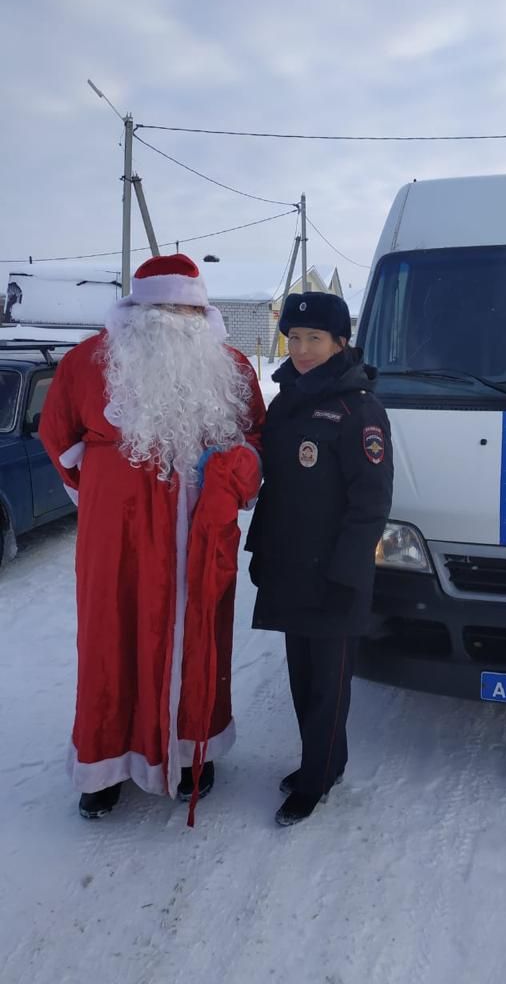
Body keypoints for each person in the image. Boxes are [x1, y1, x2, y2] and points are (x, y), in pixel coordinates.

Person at [40, 254, 265, 823]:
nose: (174, 316)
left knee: (198, 635)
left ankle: (192, 752)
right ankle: (104, 765)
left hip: (201, 534)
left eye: (185, 306)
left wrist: (233, 478)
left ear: (201, 309)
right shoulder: (88, 362)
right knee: (109, 639)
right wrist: (104, 495)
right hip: (116, 538)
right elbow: (58, 437)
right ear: (138, 308)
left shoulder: (232, 367)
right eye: (163, 305)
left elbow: (257, 441)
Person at [245, 291, 393, 826]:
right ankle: (322, 760)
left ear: (340, 342)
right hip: (290, 567)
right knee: (302, 679)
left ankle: (319, 776)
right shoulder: (288, 399)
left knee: (327, 685)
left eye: (315, 339)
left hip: (333, 575)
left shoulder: (359, 409)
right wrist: (260, 550)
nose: (302, 349)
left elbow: (370, 504)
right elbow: (279, 487)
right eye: (295, 337)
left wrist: (347, 575)